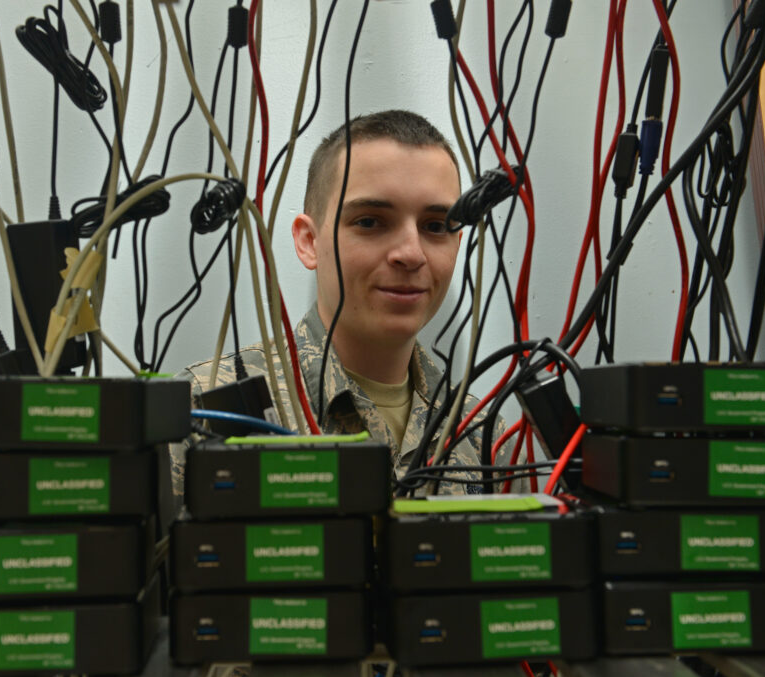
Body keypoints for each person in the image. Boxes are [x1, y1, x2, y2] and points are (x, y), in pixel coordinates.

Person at [170, 109, 514, 497]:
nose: (411, 253)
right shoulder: (204, 409)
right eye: (370, 222)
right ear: (308, 241)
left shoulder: (480, 433)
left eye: (435, 227)